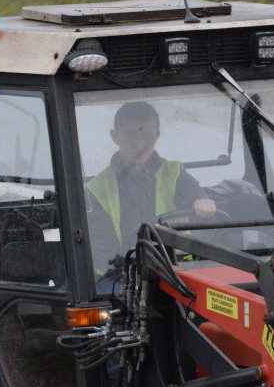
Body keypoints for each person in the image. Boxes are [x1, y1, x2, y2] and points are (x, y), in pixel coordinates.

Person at [86, 101, 216, 281]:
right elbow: (102, 249)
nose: (140, 145)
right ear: (115, 136)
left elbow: (195, 194)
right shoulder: (97, 188)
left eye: (147, 136)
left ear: (157, 136)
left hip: (176, 269)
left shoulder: (175, 173)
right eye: (131, 135)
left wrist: (203, 202)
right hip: (124, 274)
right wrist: (127, 278)